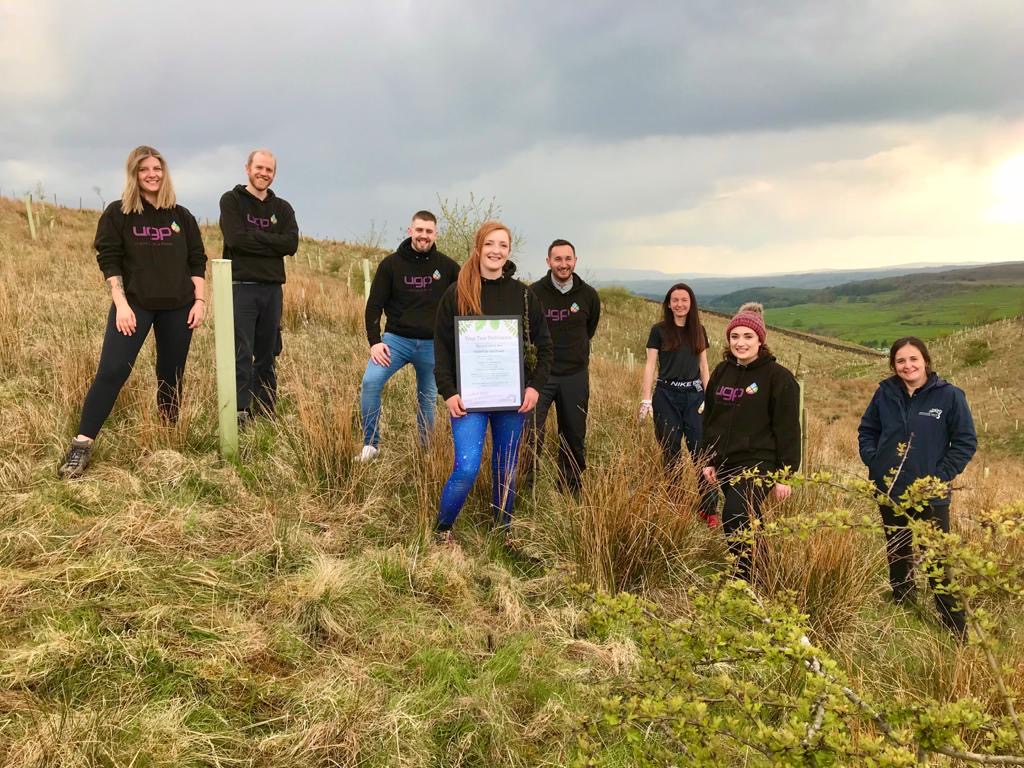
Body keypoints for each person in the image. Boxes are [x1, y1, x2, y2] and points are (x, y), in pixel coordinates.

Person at [58, 146, 208, 478]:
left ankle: (169, 438)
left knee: (171, 374)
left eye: (157, 168)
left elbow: (197, 260)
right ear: (134, 175)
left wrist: (199, 301)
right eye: (144, 170)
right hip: (134, 305)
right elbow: (109, 259)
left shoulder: (181, 216)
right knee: (112, 370)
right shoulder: (119, 213)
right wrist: (121, 303)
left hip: (179, 307)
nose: (152, 174)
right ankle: (81, 445)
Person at [432, 221, 552, 545]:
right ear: (478, 248)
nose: (496, 251)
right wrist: (449, 392)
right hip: (468, 401)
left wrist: (534, 387)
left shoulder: (524, 296)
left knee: (506, 468)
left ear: (508, 252)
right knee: (468, 466)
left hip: (512, 400)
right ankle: (443, 531)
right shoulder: (456, 292)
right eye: (490, 244)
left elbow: (546, 346)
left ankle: (502, 533)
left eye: (502, 245)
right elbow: (441, 349)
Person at [857, 336, 976, 638]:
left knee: (936, 558)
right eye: (900, 360)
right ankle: (903, 604)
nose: (907, 365)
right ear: (893, 365)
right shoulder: (884, 394)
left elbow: (965, 442)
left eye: (913, 359)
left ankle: (954, 627)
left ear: (925, 360)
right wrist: (875, 462)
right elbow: (867, 430)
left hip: (930, 495)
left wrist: (940, 477)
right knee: (897, 550)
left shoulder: (949, 396)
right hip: (890, 489)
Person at [699, 303, 800, 578]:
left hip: (760, 462)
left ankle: (744, 577)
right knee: (748, 517)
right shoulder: (721, 372)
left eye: (748, 336)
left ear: (760, 340)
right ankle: (764, 568)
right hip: (725, 461)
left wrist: (785, 475)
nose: (740, 343)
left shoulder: (778, 378)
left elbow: (789, 429)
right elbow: (710, 418)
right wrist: (708, 459)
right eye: (735, 336)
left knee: (734, 513)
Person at [357, 211, 460, 460]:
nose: (424, 235)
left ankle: (426, 452)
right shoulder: (391, 265)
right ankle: (371, 445)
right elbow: (374, 306)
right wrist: (375, 342)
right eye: (419, 230)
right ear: (410, 231)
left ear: (435, 234)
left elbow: (464, 303)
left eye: (429, 231)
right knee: (370, 383)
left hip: (432, 345)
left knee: (427, 399)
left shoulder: (447, 267)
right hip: (395, 341)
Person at [219, 149, 299, 426]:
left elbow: (291, 244)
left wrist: (256, 238)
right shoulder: (231, 201)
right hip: (241, 288)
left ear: (274, 174)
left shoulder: (282, 208)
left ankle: (265, 409)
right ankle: (239, 410)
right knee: (242, 351)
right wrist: (271, 242)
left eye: (269, 170)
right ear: (248, 168)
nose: (264, 173)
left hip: (272, 290)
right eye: (260, 168)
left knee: (267, 352)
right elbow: (236, 239)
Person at [526, 238, 601, 493]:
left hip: (574, 375)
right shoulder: (533, 293)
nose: (563, 264)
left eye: (568, 259)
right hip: (541, 377)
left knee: (573, 435)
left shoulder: (589, 295)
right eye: (558, 259)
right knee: (530, 434)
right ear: (548, 262)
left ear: (575, 261)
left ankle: (569, 488)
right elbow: (527, 332)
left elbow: (588, 330)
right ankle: (527, 488)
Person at [639, 283, 710, 469]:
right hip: (666, 396)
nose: (680, 304)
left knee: (701, 451)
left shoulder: (699, 330)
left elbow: (703, 365)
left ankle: (708, 498)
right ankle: (674, 497)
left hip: (695, 397)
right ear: (669, 304)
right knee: (670, 451)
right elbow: (650, 365)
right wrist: (646, 399)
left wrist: (709, 397)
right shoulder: (658, 330)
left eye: (684, 300)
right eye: (675, 300)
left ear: (691, 303)